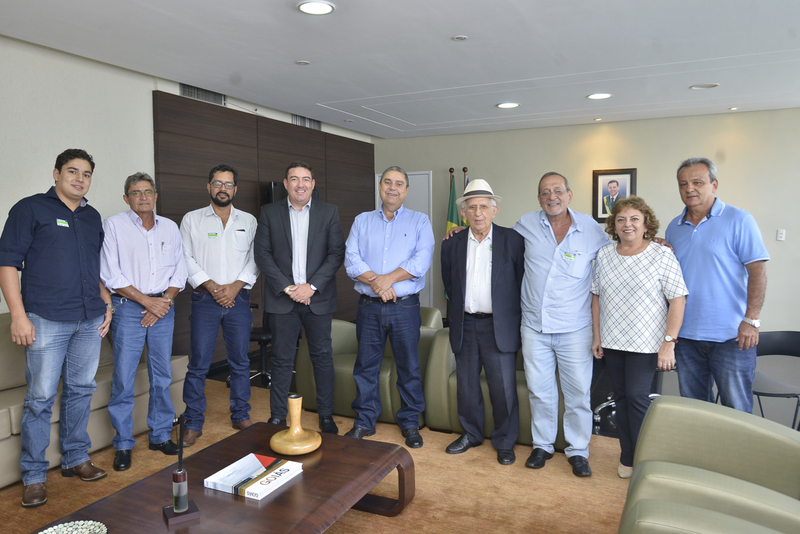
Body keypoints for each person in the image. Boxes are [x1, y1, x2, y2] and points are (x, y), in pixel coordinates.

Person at [0, 149, 113, 508]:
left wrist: (106, 302)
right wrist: (18, 316)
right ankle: (34, 476)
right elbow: (7, 263)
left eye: (86, 174)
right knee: (40, 399)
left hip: (89, 318)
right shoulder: (29, 209)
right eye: (72, 171)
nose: (80, 179)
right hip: (46, 319)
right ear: (56, 173)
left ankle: (76, 457)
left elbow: (92, 266)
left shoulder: (92, 216)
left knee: (81, 390)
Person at [512, 172, 610, 477]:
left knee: (578, 393)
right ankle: (542, 445)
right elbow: (496, 243)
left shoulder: (591, 229)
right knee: (540, 391)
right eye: (545, 192)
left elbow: (617, 253)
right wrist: (462, 233)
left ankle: (578, 450)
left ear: (569, 194)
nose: (551, 197)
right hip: (534, 327)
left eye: (557, 191)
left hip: (575, 328)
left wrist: (652, 240)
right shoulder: (526, 224)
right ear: (538, 198)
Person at [590, 196, 687, 478]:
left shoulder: (661, 255)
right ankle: (628, 457)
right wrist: (597, 336)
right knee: (621, 398)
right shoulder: (605, 255)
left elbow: (678, 299)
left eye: (634, 219)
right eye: (621, 219)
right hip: (612, 341)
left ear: (646, 224)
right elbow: (596, 297)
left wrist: (668, 343)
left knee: (636, 399)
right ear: (614, 225)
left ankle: (646, 460)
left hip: (646, 343)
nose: (627, 224)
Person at [665, 157, 769, 413]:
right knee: (696, 411)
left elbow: (758, 272)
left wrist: (752, 319)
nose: (689, 188)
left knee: (737, 412)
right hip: (686, 336)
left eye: (697, 182)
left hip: (732, 336)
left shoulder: (739, 219)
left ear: (714, 185)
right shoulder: (673, 228)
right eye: (683, 184)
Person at [100, 172, 188, 471]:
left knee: (161, 376)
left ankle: (160, 435)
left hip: (164, 307)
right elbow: (110, 274)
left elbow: (179, 271)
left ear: (155, 196)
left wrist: (163, 302)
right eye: (136, 192)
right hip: (127, 309)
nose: (143, 197)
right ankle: (123, 444)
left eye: (148, 191)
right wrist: (147, 302)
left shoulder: (170, 227)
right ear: (126, 198)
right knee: (124, 378)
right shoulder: (114, 225)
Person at [344, 166, 434, 448]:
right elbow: (352, 260)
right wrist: (378, 284)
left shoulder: (420, 221)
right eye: (387, 182)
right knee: (365, 366)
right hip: (369, 307)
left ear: (406, 190)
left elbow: (421, 262)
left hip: (404, 308)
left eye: (398, 184)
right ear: (380, 186)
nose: (392, 188)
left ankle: (410, 422)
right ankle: (364, 421)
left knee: (409, 366)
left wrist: (387, 279)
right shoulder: (362, 221)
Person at [254, 161, 344, 434]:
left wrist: (311, 287)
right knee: (281, 359)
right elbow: (262, 255)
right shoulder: (269, 212)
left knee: (322, 357)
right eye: (294, 179)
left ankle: (326, 415)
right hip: (283, 300)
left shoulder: (329, 212)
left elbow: (336, 254)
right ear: (286, 184)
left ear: (313, 184)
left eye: (306, 179)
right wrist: (289, 288)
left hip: (318, 299)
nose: (300, 184)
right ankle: (277, 415)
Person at [441, 179, 524, 465]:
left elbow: (521, 282)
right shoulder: (452, 244)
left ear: (494, 210)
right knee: (466, 387)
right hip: (464, 324)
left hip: (499, 327)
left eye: (484, 207)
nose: (478, 213)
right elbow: (449, 285)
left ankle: (505, 442)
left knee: (503, 389)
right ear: (464, 212)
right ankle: (471, 434)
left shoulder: (513, 240)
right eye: (472, 207)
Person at [180, 164, 259, 446]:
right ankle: (193, 422)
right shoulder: (192, 219)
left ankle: (240, 414)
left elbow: (255, 258)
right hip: (205, 299)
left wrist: (235, 287)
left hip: (238, 299)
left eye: (228, 184)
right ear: (209, 187)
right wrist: (213, 287)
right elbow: (185, 258)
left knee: (240, 361)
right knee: (199, 363)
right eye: (217, 183)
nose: (222, 189)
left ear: (235, 189)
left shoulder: (249, 220)